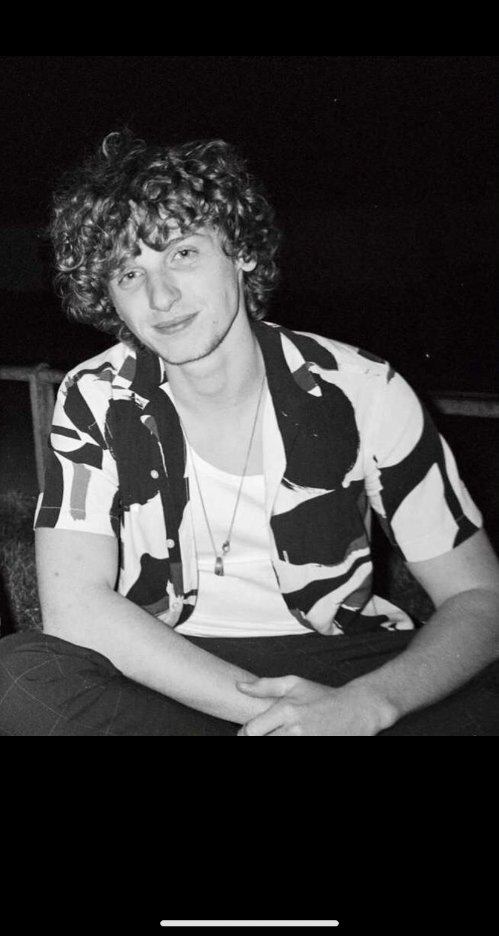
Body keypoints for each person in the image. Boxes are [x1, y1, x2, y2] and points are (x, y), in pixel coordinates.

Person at [1, 130, 499, 736]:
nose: (161, 296)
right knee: (18, 678)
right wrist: (278, 719)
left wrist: (368, 706)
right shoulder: (96, 395)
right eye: (129, 273)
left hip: (341, 658)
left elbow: (479, 597)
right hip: (169, 663)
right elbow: (76, 607)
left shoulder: (363, 388)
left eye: (182, 253)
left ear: (241, 252)